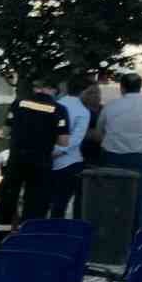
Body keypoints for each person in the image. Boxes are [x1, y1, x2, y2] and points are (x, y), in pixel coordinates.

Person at [0, 79, 71, 234]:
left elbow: (5, 131)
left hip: (17, 158)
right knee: (36, 199)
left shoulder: (18, 103)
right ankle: (28, 233)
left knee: (8, 195)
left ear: (36, 88)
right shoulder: (59, 109)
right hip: (41, 161)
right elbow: (64, 141)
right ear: (53, 89)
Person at [46, 74, 92, 218]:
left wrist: (49, 151)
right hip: (69, 161)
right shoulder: (83, 112)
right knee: (62, 203)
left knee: (45, 201)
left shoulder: (54, 105)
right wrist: (60, 151)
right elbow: (76, 139)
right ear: (84, 91)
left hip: (47, 158)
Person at [98, 73, 142, 172]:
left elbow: (99, 130)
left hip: (110, 156)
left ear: (122, 87)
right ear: (140, 87)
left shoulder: (110, 106)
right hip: (137, 157)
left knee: (109, 186)